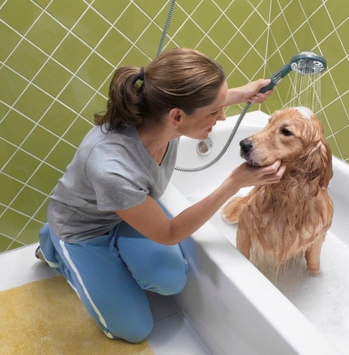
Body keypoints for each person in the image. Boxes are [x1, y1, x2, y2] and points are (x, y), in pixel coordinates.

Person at [36, 47, 286, 343]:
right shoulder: (111, 167)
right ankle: (53, 243)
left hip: (127, 215)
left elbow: (198, 103)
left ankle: (104, 254)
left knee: (169, 280)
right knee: (133, 330)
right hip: (83, 230)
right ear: (177, 117)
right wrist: (233, 183)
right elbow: (168, 233)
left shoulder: (163, 120)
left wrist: (244, 92)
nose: (222, 118)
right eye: (214, 112)